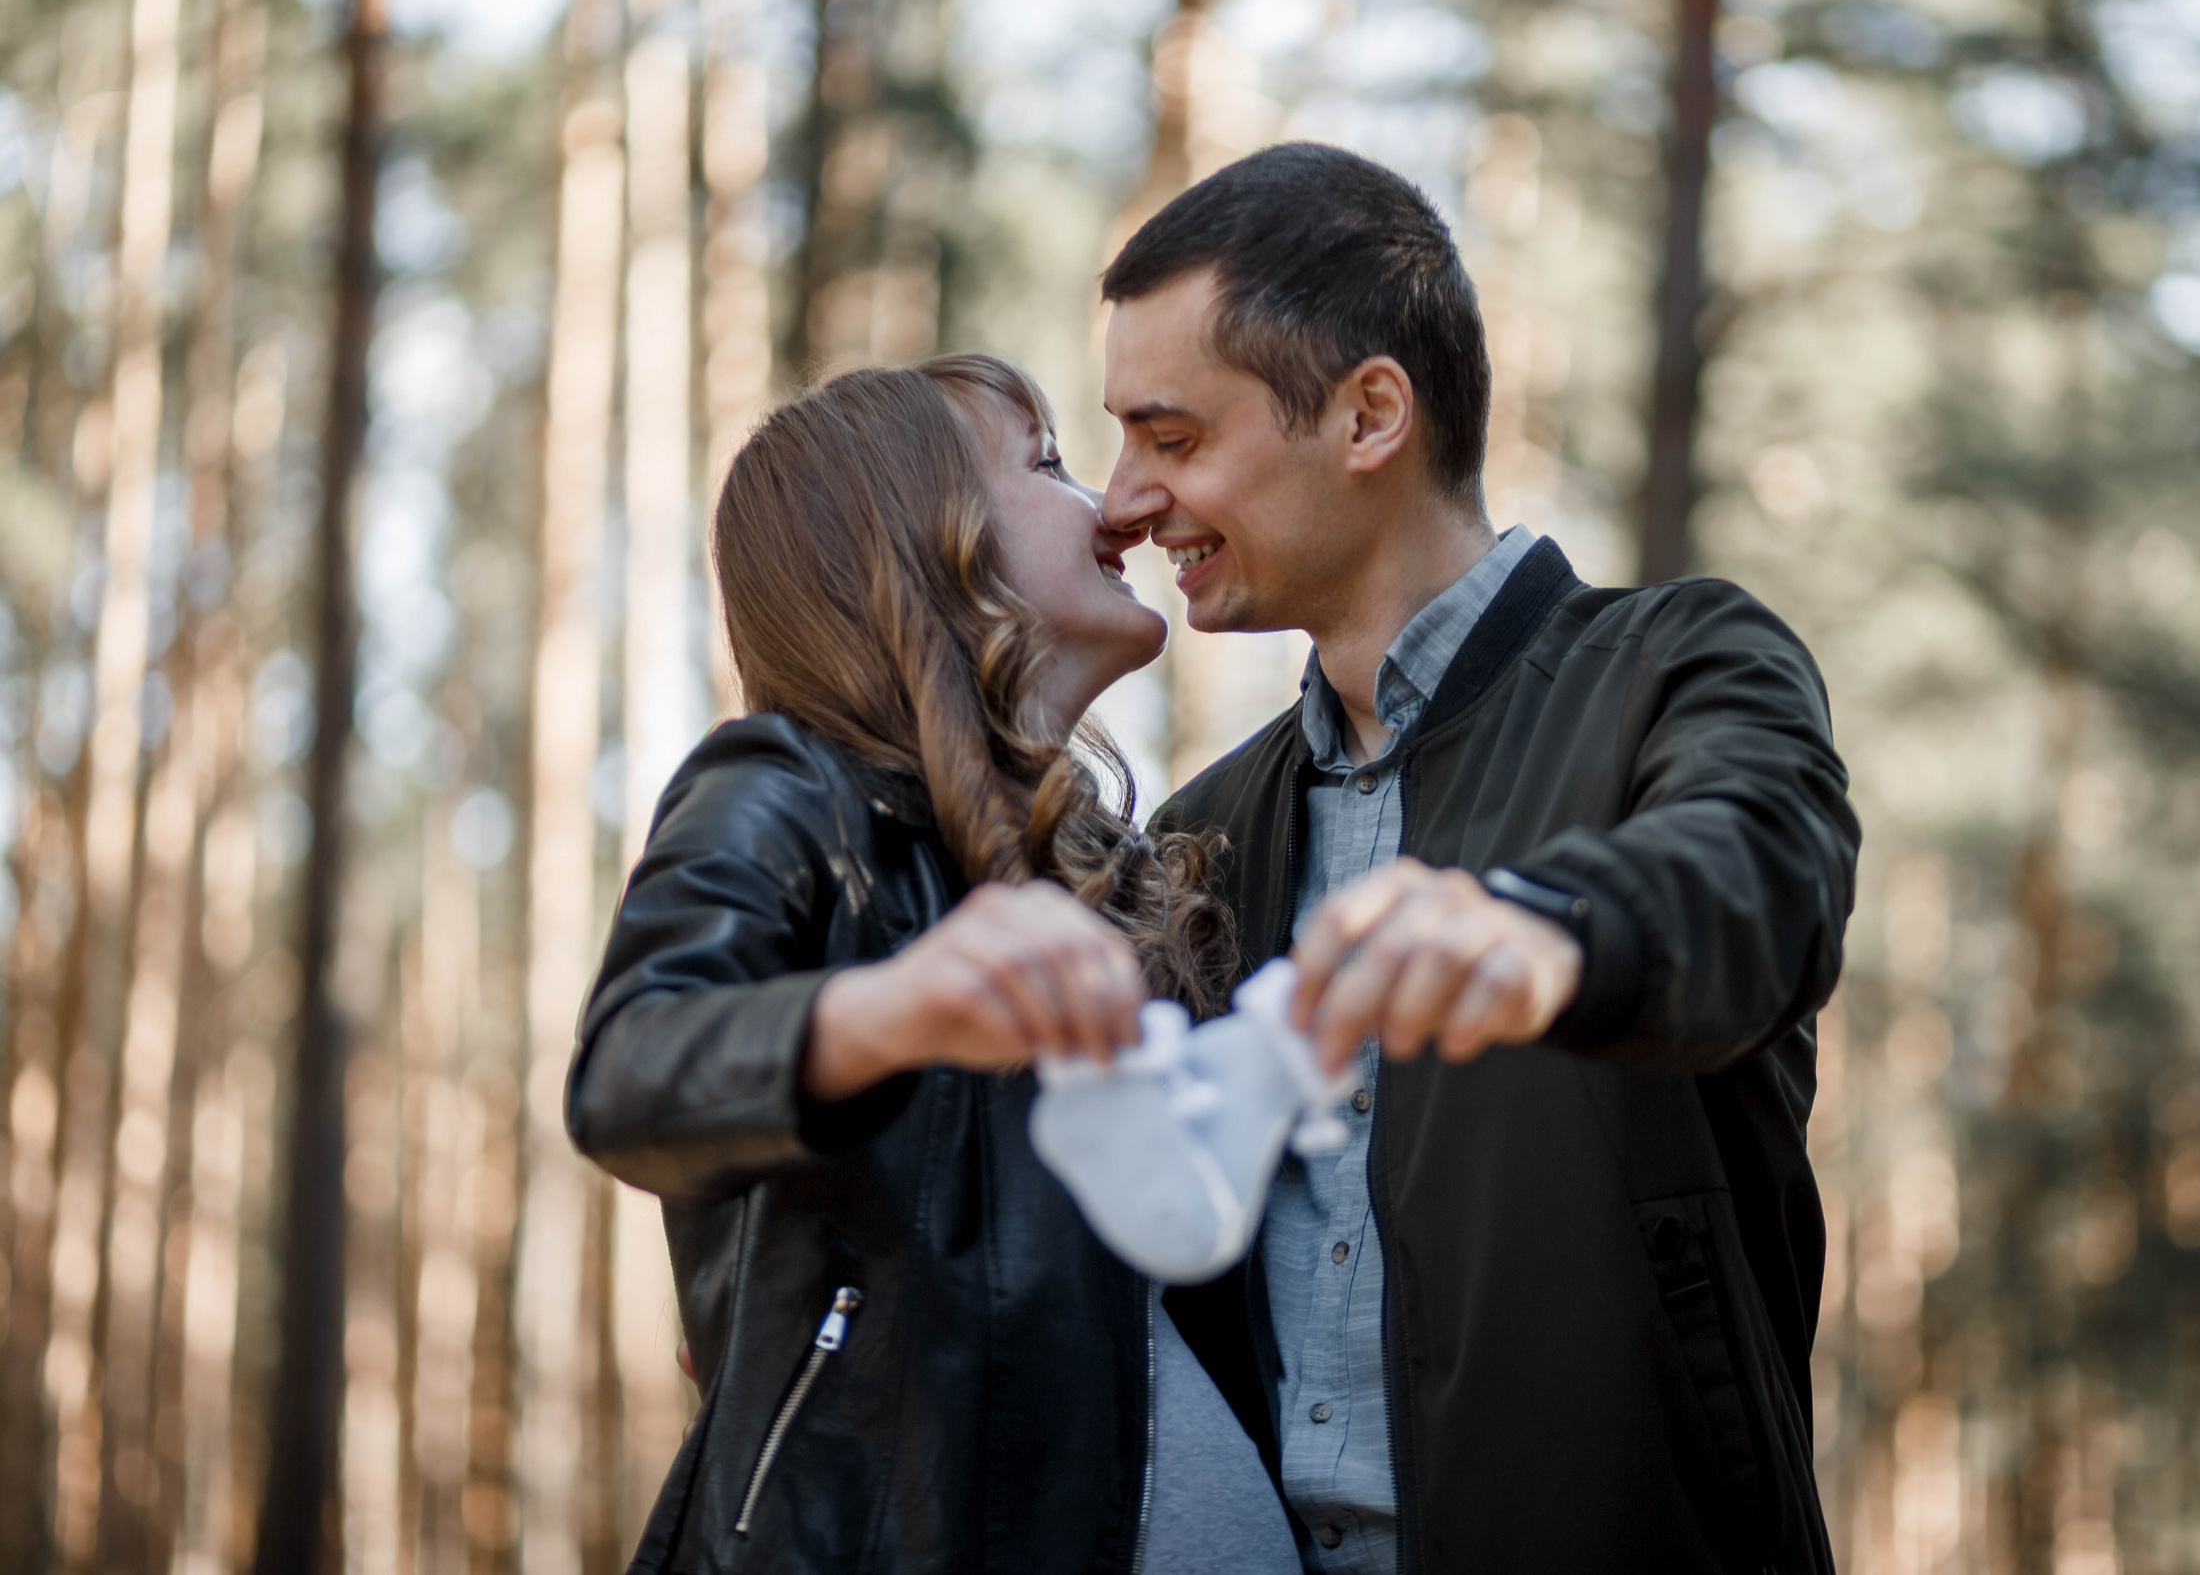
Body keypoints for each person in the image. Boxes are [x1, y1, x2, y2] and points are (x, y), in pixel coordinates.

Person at [1101, 144, 1862, 1575]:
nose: (1124, 497)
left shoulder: (1683, 660)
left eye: (1173, 436)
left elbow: (1763, 880)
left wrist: (1548, 928)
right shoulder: (1195, 831)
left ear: (1369, 413)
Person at [565, 355, 1300, 1574]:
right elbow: (630, 1074)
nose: (1118, 507)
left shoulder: (1115, 878)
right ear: (926, 538)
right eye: (1049, 463)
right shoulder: (786, 790)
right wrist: (891, 1013)